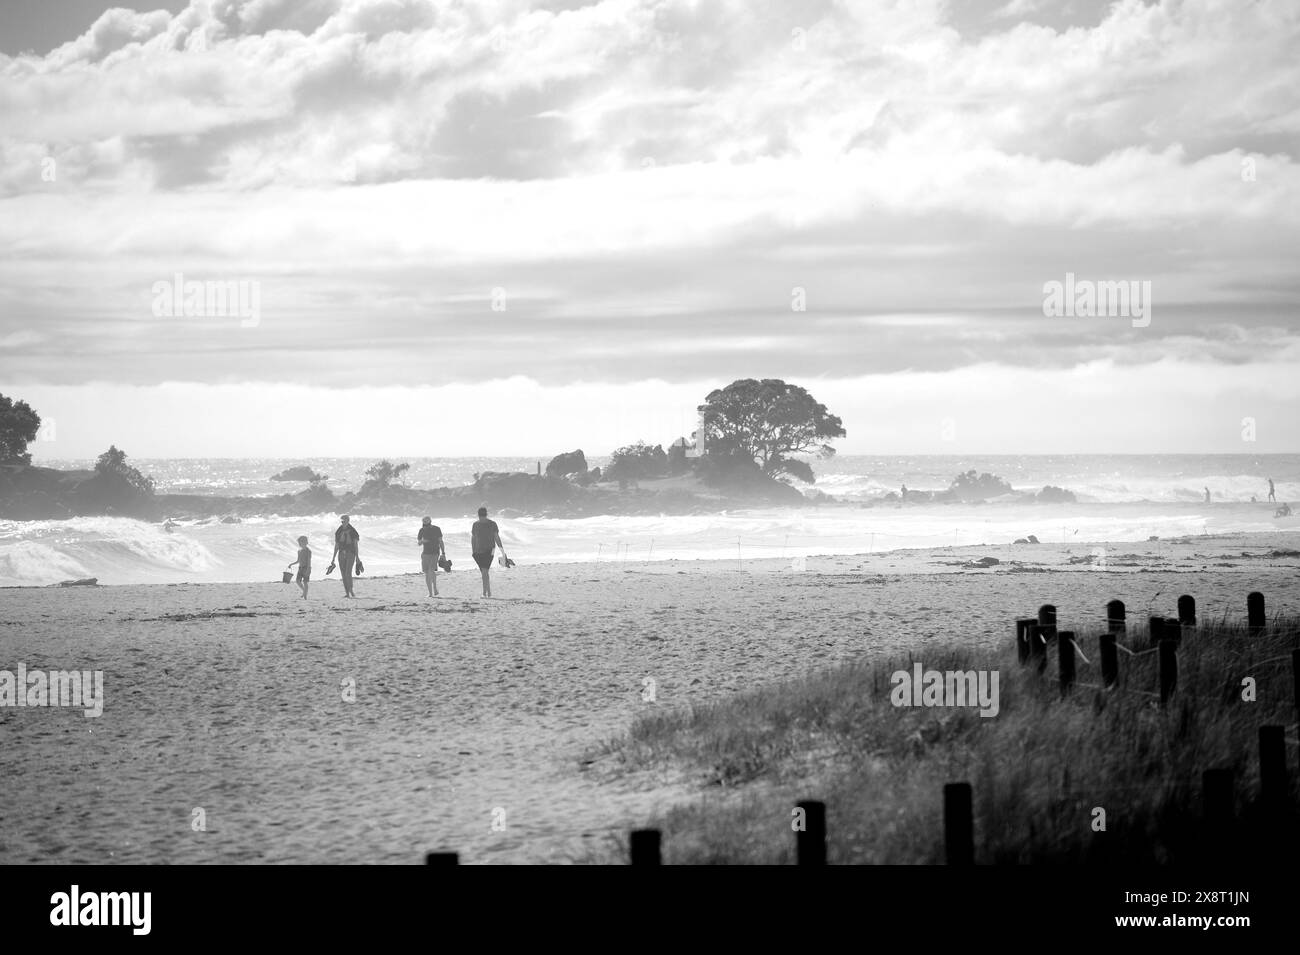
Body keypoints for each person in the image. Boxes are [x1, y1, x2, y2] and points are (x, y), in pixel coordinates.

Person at [471, 506, 509, 597]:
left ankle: (485, 593)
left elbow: (496, 537)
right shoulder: (478, 524)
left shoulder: (489, 524)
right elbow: (473, 538)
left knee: (484, 571)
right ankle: (488, 592)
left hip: (490, 550)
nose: (482, 518)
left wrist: (501, 550)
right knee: (484, 571)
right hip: (480, 551)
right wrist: (473, 551)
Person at [331, 514, 360, 598]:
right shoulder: (339, 531)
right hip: (341, 553)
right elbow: (336, 545)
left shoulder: (353, 531)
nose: (342, 522)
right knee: (343, 574)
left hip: (350, 553)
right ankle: (347, 593)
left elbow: (355, 544)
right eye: (341, 521)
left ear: (348, 521)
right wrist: (333, 558)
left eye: (344, 521)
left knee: (348, 573)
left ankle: (351, 590)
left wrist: (357, 557)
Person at [418, 516, 446, 597]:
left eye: (427, 524)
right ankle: (430, 593)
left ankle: (435, 587)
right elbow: (419, 543)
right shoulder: (422, 530)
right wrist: (423, 541)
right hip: (425, 553)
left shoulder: (437, 529)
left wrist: (443, 552)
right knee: (427, 573)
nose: (426, 526)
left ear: (430, 522)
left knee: (430, 570)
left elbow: (440, 541)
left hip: (435, 553)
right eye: (425, 524)